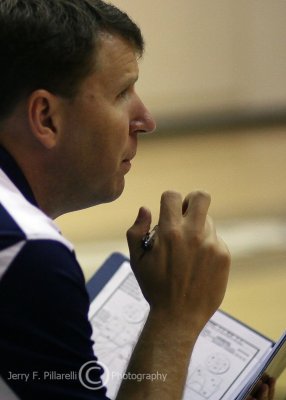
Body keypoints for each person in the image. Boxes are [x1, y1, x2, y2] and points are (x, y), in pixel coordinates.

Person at [0, 1, 275, 399]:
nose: (146, 119)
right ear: (45, 117)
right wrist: (174, 317)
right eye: (122, 92)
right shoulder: (28, 254)